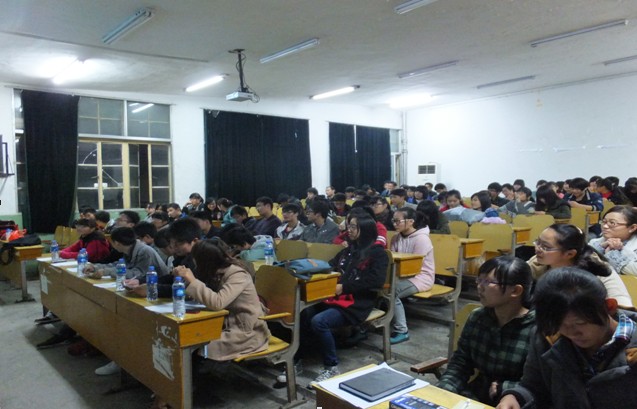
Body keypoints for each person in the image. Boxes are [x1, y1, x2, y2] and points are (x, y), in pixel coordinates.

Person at [151, 239, 270, 409]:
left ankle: (189, 396)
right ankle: (173, 392)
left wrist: (192, 280)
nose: (194, 263)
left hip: (245, 331)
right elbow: (198, 294)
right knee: (178, 343)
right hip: (221, 323)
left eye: (196, 259)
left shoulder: (237, 274)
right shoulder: (212, 271)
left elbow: (217, 302)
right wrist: (182, 279)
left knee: (197, 351)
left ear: (206, 260)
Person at [496, 268, 637, 409]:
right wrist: (515, 397)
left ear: (609, 307)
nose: (570, 333)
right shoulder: (549, 335)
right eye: (559, 324)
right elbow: (533, 386)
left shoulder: (633, 351)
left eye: (580, 323)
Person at [287, 214, 388, 385]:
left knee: (319, 321)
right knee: (303, 313)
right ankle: (298, 359)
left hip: (357, 302)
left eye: (354, 227)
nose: (350, 230)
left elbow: (376, 281)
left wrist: (344, 287)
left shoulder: (378, 253)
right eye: (349, 226)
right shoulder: (348, 250)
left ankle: (331, 367)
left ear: (365, 229)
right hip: (335, 296)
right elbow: (330, 265)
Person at [438, 256, 535, 406]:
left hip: (516, 402)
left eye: (488, 282)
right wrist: (442, 392)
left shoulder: (537, 328)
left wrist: (508, 388)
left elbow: (540, 382)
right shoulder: (478, 317)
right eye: (479, 280)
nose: (479, 286)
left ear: (516, 290)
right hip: (476, 396)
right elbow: (461, 364)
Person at [528, 224, 633, 307]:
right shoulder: (537, 263)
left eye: (545, 247)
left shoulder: (598, 269)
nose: (537, 249)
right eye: (538, 242)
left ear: (570, 254)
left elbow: (622, 304)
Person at [389, 207, 435, 344]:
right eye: (393, 221)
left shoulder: (422, 239)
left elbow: (415, 266)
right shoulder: (396, 238)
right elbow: (393, 260)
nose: (395, 224)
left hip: (421, 277)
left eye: (398, 221)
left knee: (392, 291)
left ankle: (402, 330)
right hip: (402, 275)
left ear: (410, 221)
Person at [589, 205, 637, 276]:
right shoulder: (595, 242)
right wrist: (600, 249)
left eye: (612, 223)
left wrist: (612, 254)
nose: (605, 226)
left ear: (632, 228)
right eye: (604, 222)